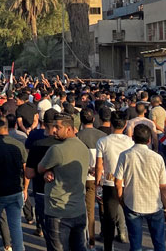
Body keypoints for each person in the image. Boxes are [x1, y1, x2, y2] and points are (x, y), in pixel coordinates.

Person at [38, 113, 90, 251]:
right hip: (78, 209)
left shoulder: (56, 150)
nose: (54, 130)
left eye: (57, 127)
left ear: (68, 129)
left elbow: (40, 168)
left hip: (58, 211)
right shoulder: (83, 147)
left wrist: (47, 171)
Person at [114, 124, 166, 251]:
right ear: (149, 140)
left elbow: (118, 182)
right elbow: (163, 186)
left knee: (135, 242)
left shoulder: (125, 155)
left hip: (132, 202)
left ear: (132, 138)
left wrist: (121, 199)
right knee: (159, 242)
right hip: (154, 205)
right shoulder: (157, 158)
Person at [0, 116, 28, 251]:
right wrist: (25, 189)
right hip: (15, 189)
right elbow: (26, 170)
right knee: (15, 226)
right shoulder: (18, 145)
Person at [95, 116, 132, 251]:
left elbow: (99, 165)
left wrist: (97, 181)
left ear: (111, 124)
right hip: (126, 182)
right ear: (125, 125)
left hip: (109, 182)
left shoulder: (103, 141)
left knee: (109, 217)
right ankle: (125, 236)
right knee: (126, 212)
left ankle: (108, 247)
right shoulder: (130, 141)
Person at [75, 108, 106, 250]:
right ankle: (104, 238)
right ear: (93, 119)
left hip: (84, 177)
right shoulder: (102, 135)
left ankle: (90, 241)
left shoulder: (77, 137)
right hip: (101, 177)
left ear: (81, 120)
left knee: (89, 211)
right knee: (104, 208)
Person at [25, 114, 60, 238]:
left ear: (43, 122)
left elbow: (28, 173)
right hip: (62, 191)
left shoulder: (36, 141)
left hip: (40, 189)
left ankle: (40, 227)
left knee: (47, 229)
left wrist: (40, 171)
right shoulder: (66, 143)